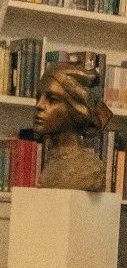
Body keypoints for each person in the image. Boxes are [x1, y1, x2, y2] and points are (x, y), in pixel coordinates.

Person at [34, 63, 112, 191]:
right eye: (38, 98)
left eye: (52, 99)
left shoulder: (87, 169)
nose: (39, 105)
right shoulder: (52, 162)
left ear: (76, 109)